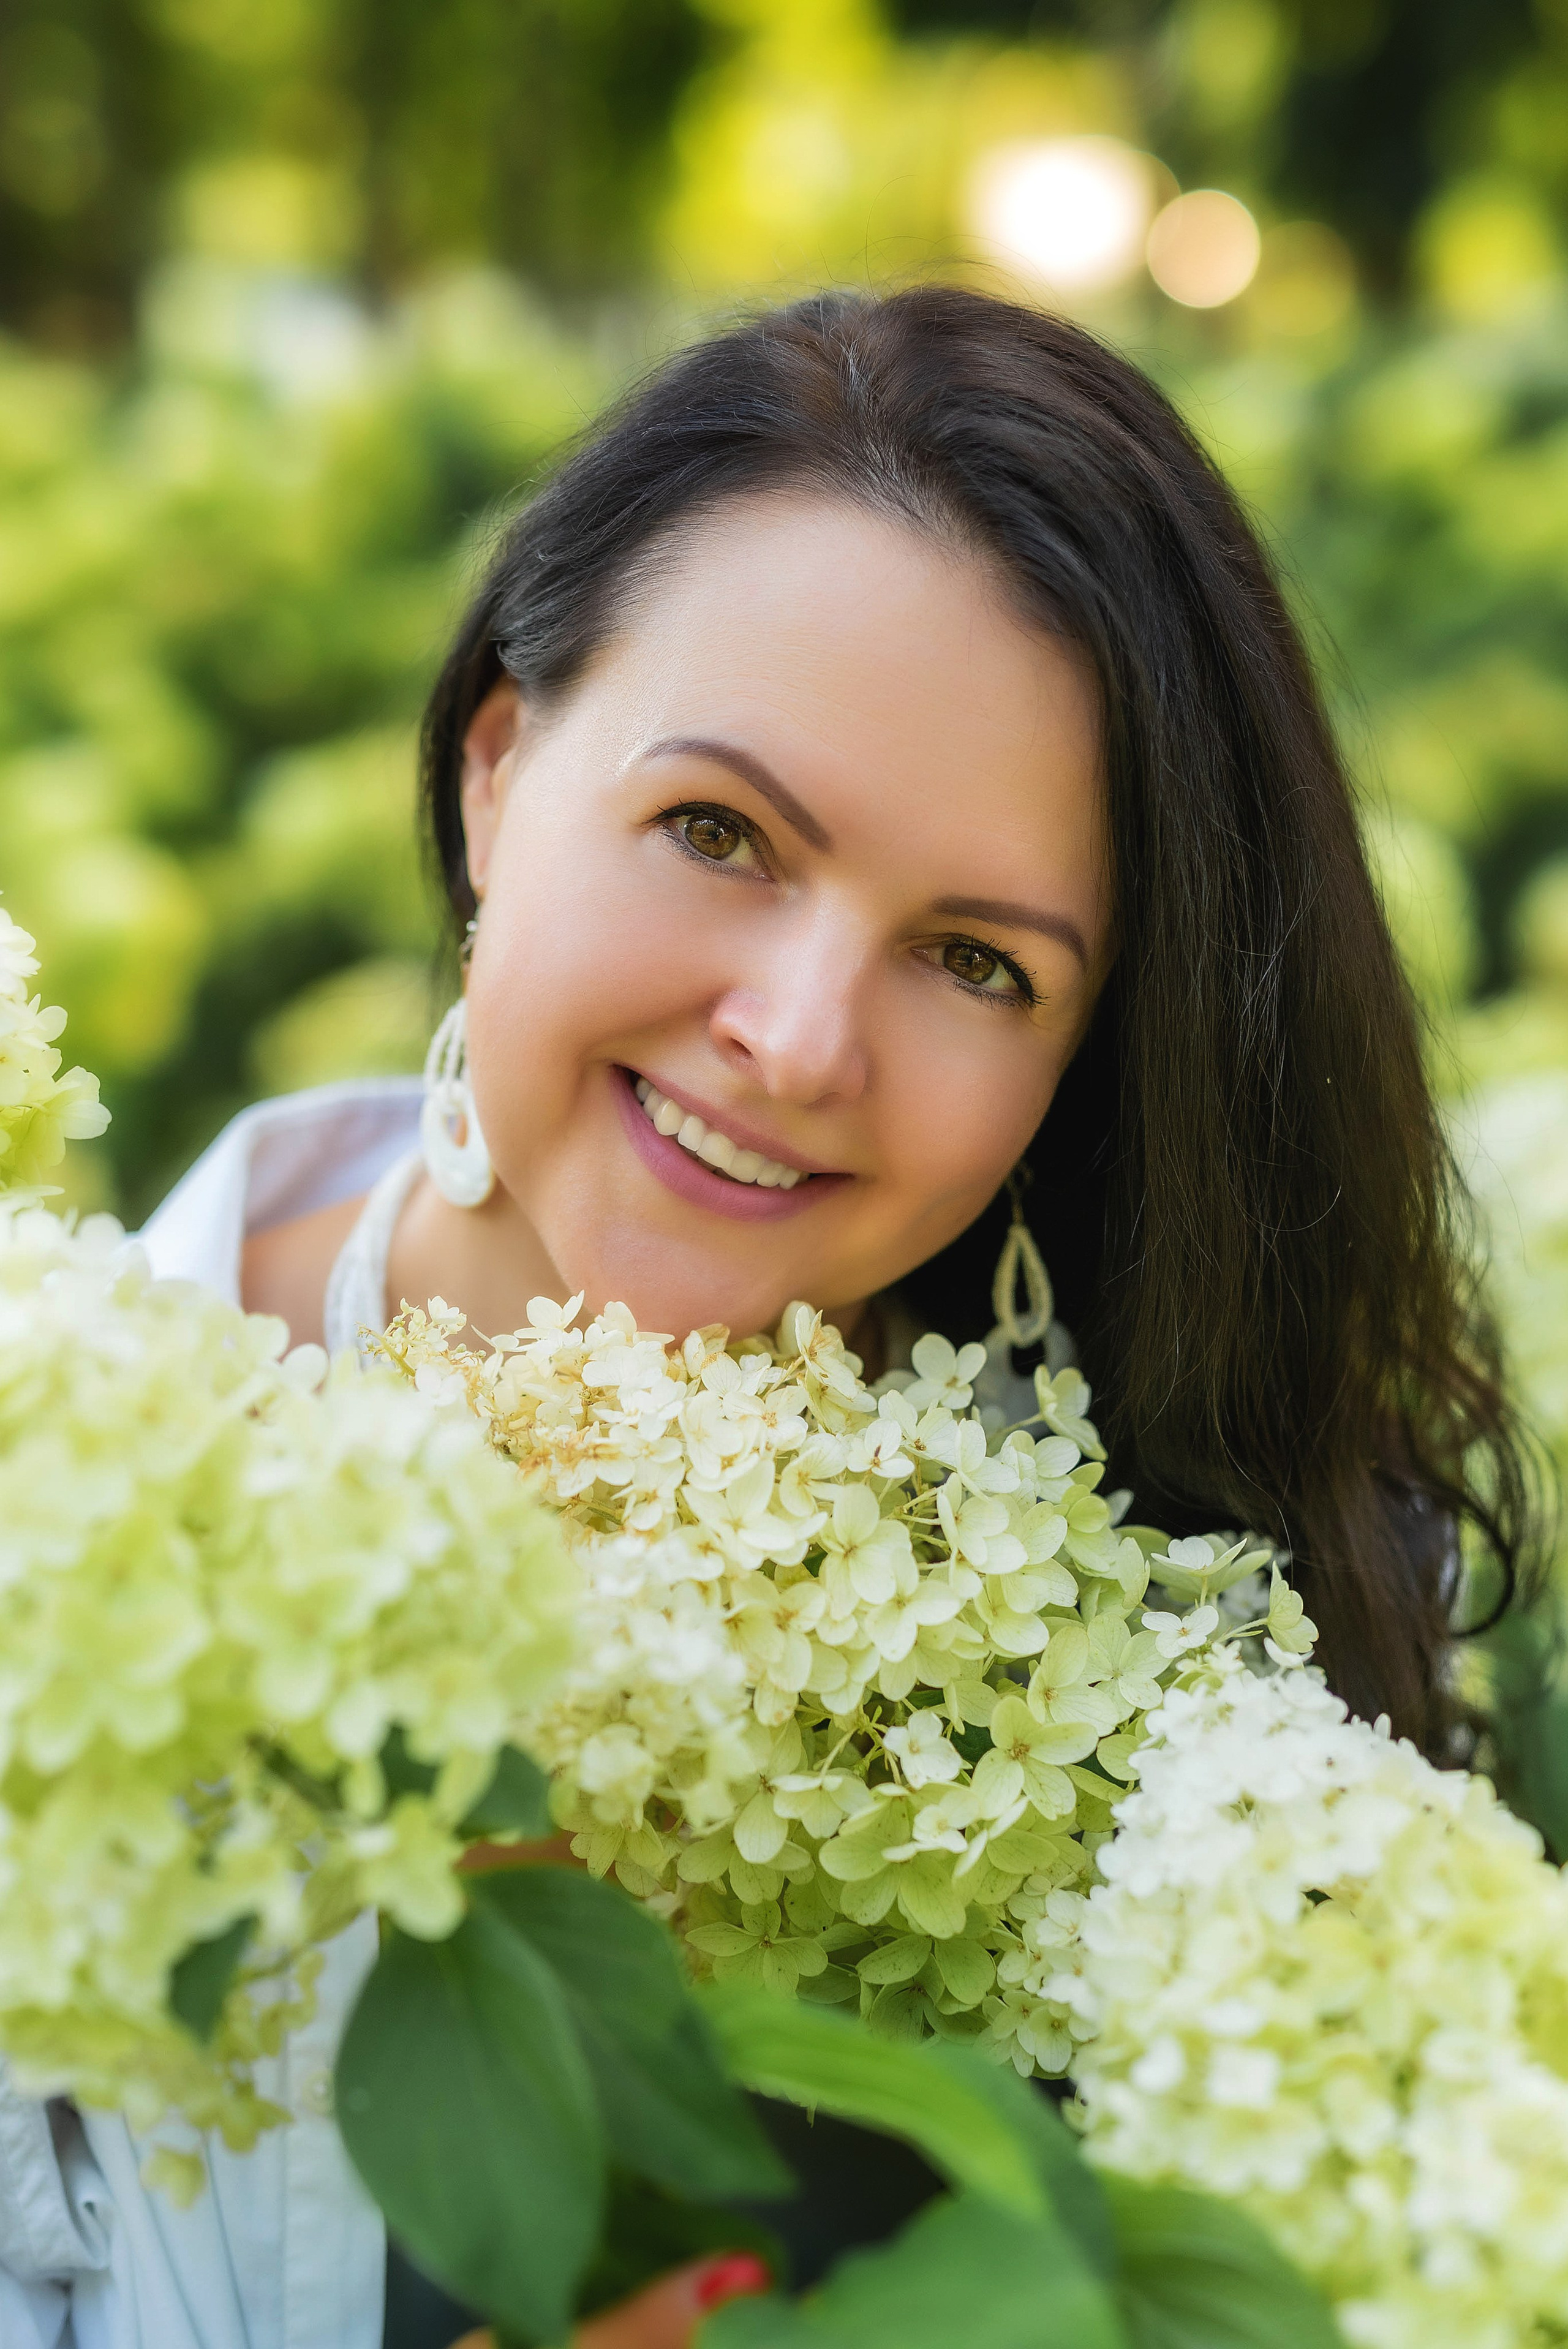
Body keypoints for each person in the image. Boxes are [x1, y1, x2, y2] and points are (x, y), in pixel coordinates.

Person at [0, 285, 1529, 2349]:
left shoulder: (1192, 1657)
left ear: (1090, 1053)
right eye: (720, 831)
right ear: (500, 773)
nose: (797, 1040)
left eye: (978, 960)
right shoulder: (69, 1514)